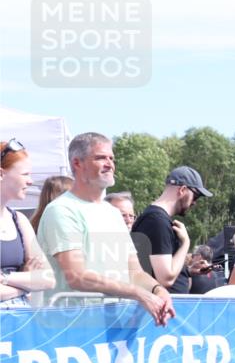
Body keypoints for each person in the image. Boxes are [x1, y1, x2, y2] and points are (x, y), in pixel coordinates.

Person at [37, 132, 174, 324]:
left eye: (111, 158)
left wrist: (158, 290)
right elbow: (77, 276)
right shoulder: (62, 210)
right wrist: (137, 293)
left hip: (113, 327)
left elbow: (135, 272)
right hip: (71, 328)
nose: (110, 164)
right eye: (100, 158)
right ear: (77, 164)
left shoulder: (112, 213)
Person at [132, 167, 212, 294]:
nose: (195, 203)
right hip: (161, 308)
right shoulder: (157, 221)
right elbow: (165, 279)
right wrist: (186, 244)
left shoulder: (157, 219)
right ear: (182, 190)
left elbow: (156, 269)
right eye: (195, 196)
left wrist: (188, 270)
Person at [0, 139, 55, 306]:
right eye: (25, 174)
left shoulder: (19, 220)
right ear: (1, 174)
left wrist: (5, 278)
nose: (30, 181)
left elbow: (48, 279)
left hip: (19, 323)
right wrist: (26, 285)